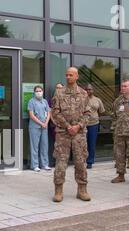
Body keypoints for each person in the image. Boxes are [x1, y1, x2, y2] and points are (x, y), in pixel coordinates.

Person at [51, 67, 91, 202]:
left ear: (77, 76)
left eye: (71, 75)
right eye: (67, 75)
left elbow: (88, 113)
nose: (68, 77)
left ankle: (82, 189)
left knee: (81, 162)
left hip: (79, 134)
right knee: (61, 163)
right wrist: (68, 126)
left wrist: (78, 126)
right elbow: (55, 113)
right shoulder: (59, 93)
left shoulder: (84, 94)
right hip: (63, 133)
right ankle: (58, 190)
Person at [111, 80, 129, 185]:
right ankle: (120, 175)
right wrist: (115, 127)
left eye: (125, 86)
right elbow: (114, 115)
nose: (122, 88)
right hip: (119, 133)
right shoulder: (117, 101)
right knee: (119, 155)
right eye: (122, 86)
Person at [28, 85, 51, 172]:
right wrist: (41, 123)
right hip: (35, 127)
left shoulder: (44, 101)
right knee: (34, 147)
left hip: (44, 127)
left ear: (42, 91)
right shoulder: (31, 101)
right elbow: (31, 115)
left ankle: (45, 164)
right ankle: (35, 165)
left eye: (40, 91)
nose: (39, 92)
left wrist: (46, 123)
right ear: (34, 92)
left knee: (44, 146)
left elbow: (49, 113)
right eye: (37, 91)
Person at [85, 84, 105, 169]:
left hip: (94, 124)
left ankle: (90, 162)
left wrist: (95, 116)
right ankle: (81, 161)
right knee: (82, 144)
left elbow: (102, 111)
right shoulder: (81, 99)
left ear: (93, 90)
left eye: (90, 89)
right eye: (87, 89)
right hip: (83, 125)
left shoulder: (97, 100)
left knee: (92, 144)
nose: (89, 91)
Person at [48, 83, 64, 168]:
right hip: (54, 125)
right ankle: (57, 161)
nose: (58, 89)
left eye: (60, 88)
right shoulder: (51, 100)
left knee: (63, 144)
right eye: (57, 88)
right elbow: (50, 113)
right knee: (56, 143)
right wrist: (54, 122)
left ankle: (63, 161)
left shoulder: (65, 100)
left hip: (64, 126)